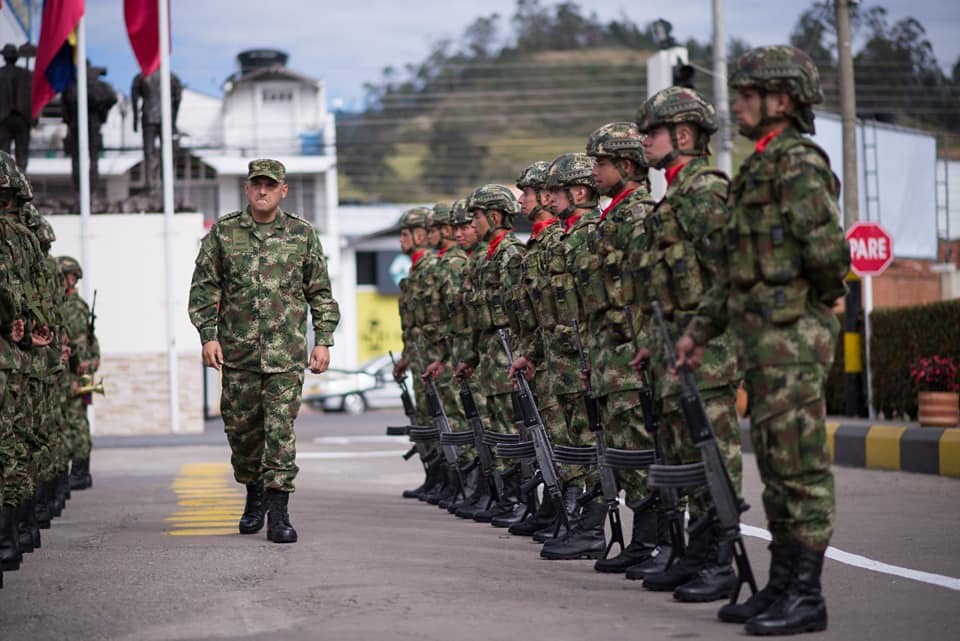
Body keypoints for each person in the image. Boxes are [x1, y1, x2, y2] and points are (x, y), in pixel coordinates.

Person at [675, 46, 848, 634]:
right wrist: (698, 333)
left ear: (783, 100)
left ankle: (807, 594)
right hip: (762, 346)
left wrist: (809, 307)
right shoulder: (757, 166)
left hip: (793, 343)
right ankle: (782, 584)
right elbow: (732, 272)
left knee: (800, 470)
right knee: (775, 470)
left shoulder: (798, 163)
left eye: (749, 95)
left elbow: (829, 256)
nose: (739, 106)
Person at [627, 87, 742, 602]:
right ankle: (695, 553)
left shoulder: (705, 192)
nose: (644, 141)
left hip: (708, 355)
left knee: (714, 458)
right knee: (684, 461)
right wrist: (654, 345)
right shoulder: (674, 196)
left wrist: (700, 336)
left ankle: (722, 558)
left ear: (684, 134)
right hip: (674, 354)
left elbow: (727, 276)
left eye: (651, 132)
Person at [188, 159, 340, 544]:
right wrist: (208, 335)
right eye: (256, 184)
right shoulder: (223, 233)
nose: (262, 191)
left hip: (284, 357)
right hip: (237, 357)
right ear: (246, 188)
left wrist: (323, 339)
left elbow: (320, 292)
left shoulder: (302, 234)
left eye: (270, 185)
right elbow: (205, 289)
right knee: (243, 435)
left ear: (283, 191)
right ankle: (253, 493)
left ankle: (279, 513)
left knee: (280, 433)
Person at [581, 122, 659, 574]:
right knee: (624, 454)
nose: (595, 170)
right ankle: (642, 540)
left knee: (641, 449)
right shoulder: (613, 217)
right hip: (610, 358)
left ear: (627, 165)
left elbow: (646, 293)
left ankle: (656, 540)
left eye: (602, 162)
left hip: (632, 357)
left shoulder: (639, 215)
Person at [0, 44, 34, 170]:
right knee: (22, 155)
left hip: (3, 119)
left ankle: (6, 180)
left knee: (4, 154)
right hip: (22, 118)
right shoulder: (27, 74)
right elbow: (32, 97)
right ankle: (21, 178)